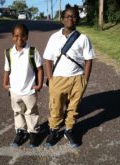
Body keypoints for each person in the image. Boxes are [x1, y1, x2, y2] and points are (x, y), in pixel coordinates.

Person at [43, 4, 95, 147]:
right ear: (62, 19)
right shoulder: (54, 37)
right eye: (67, 16)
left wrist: (85, 80)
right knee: (56, 107)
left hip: (77, 78)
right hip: (58, 79)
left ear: (77, 19)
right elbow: (47, 59)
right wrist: (51, 79)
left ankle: (69, 129)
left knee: (74, 107)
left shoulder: (83, 38)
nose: (70, 18)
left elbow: (88, 60)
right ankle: (54, 130)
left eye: (73, 16)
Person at [3, 24, 44, 148]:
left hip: (29, 90)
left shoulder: (32, 51)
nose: (19, 38)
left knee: (31, 112)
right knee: (17, 111)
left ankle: (33, 132)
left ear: (27, 37)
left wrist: (39, 84)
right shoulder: (9, 52)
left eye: (22, 36)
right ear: (12, 37)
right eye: (16, 36)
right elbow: (7, 69)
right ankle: (20, 131)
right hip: (14, 90)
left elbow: (40, 69)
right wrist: (5, 83)